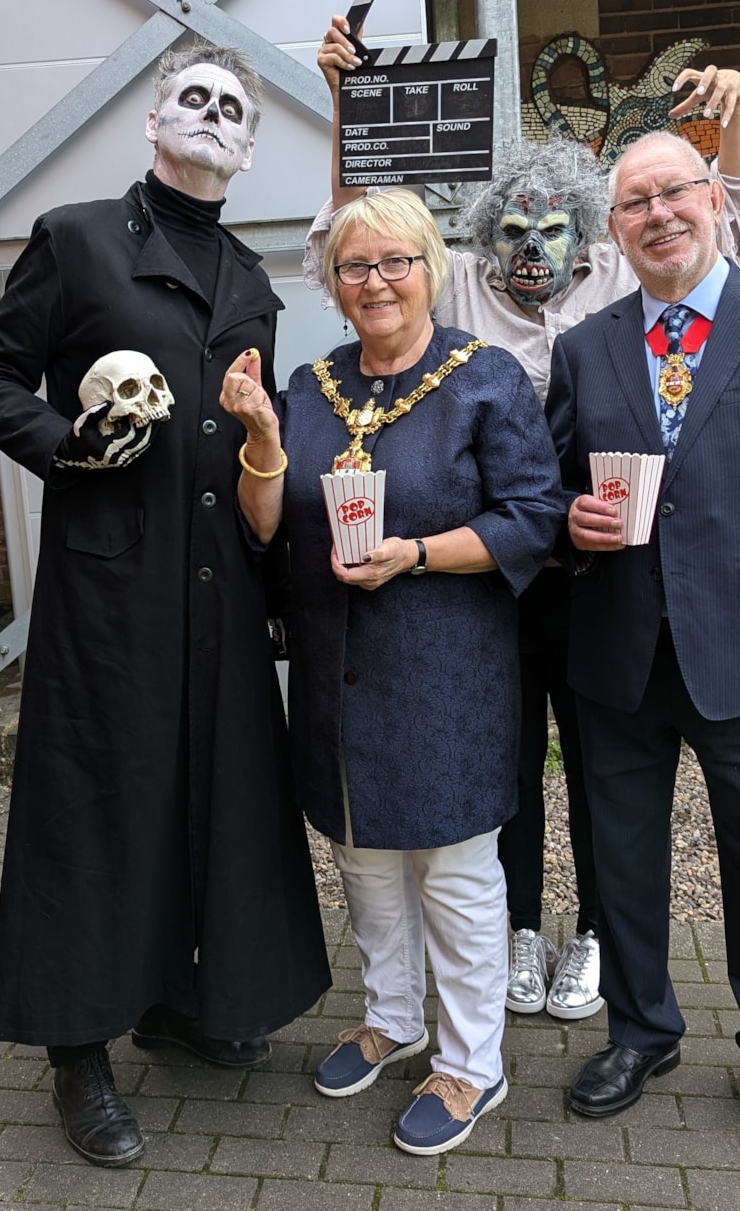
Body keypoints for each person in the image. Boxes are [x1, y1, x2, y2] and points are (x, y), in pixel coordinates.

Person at [309, 15, 740, 1024]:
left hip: (603, 574)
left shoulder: (625, 282)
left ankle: (591, 938)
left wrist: (738, 121)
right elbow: (356, 240)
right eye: (512, 232)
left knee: (600, 764)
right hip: (487, 572)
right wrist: (345, 108)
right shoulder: (456, 302)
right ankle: (520, 927)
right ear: (480, 240)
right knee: (505, 755)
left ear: (591, 231)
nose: (532, 249)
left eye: (553, 229)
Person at [0, 42, 331, 1168]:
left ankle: (180, 999)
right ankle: (76, 1046)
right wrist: (68, 446)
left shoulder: (254, 282)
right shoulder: (78, 240)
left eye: (233, 107)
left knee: (207, 790)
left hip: (219, 579)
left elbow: (245, 430)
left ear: (249, 147)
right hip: (111, 578)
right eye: (194, 98)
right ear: (155, 120)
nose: (213, 115)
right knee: (97, 798)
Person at [544, 130, 740, 1172]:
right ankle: (640, 1031)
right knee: (622, 863)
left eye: (673, 192)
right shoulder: (585, 347)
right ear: (615, 229)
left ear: (715, 202)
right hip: (619, 657)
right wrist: (566, 522)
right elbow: (545, 488)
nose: (657, 216)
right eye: (634, 203)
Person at [221, 187, 564, 1155]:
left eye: (395, 262)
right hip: (335, 669)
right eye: (355, 266)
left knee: (453, 870)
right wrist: (259, 440)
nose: (375, 281)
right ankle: (394, 1016)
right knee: (363, 856)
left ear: (431, 269)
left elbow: (532, 517)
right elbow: (264, 524)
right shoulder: (311, 384)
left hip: (446, 670)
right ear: (334, 285)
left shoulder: (484, 377)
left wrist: (413, 553)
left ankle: (471, 1061)